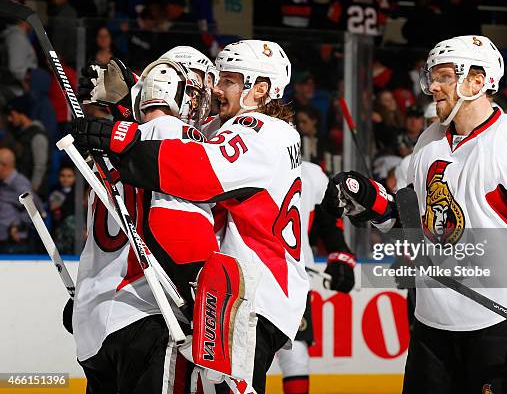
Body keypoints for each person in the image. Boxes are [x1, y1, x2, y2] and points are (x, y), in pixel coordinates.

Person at [323, 35, 507, 393]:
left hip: (500, 326)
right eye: (432, 75)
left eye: (445, 76)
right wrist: (374, 203)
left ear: (479, 81)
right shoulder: (430, 139)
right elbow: (415, 224)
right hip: (431, 328)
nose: (433, 85)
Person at [72, 39, 309, 394]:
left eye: (228, 80)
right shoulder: (239, 128)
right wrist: (130, 101)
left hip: (252, 296)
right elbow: (176, 127)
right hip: (240, 294)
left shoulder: (261, 132)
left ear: (260, 89)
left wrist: (120, 135)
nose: (216, 89)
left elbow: (196, 169)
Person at [70, 57, 219, 394]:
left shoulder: (105, 155)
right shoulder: (174, 132)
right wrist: (201, 294)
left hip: (93, 324)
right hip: (148, 310)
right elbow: (180, 223)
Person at [276, 161, 356, 394]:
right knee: (243, 355)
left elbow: (327, 221)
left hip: (292, 279)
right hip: (249, 275)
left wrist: (340, 253)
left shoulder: (311, 173)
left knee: (296, 354)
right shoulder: (240, 156)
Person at [5, 95, 50, 197]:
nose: (10, 119)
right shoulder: (20, 134)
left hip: (32, 194)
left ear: (22, 114)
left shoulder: (37, 135)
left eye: (12, 114)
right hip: (20, 190)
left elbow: (40, 167)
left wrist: (32, 192)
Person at [0, 147, 35, 253]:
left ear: (4, 165)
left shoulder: (20, 184)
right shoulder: (3, 183)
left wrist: (16, 225)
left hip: (14, 244)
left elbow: (33, 208)